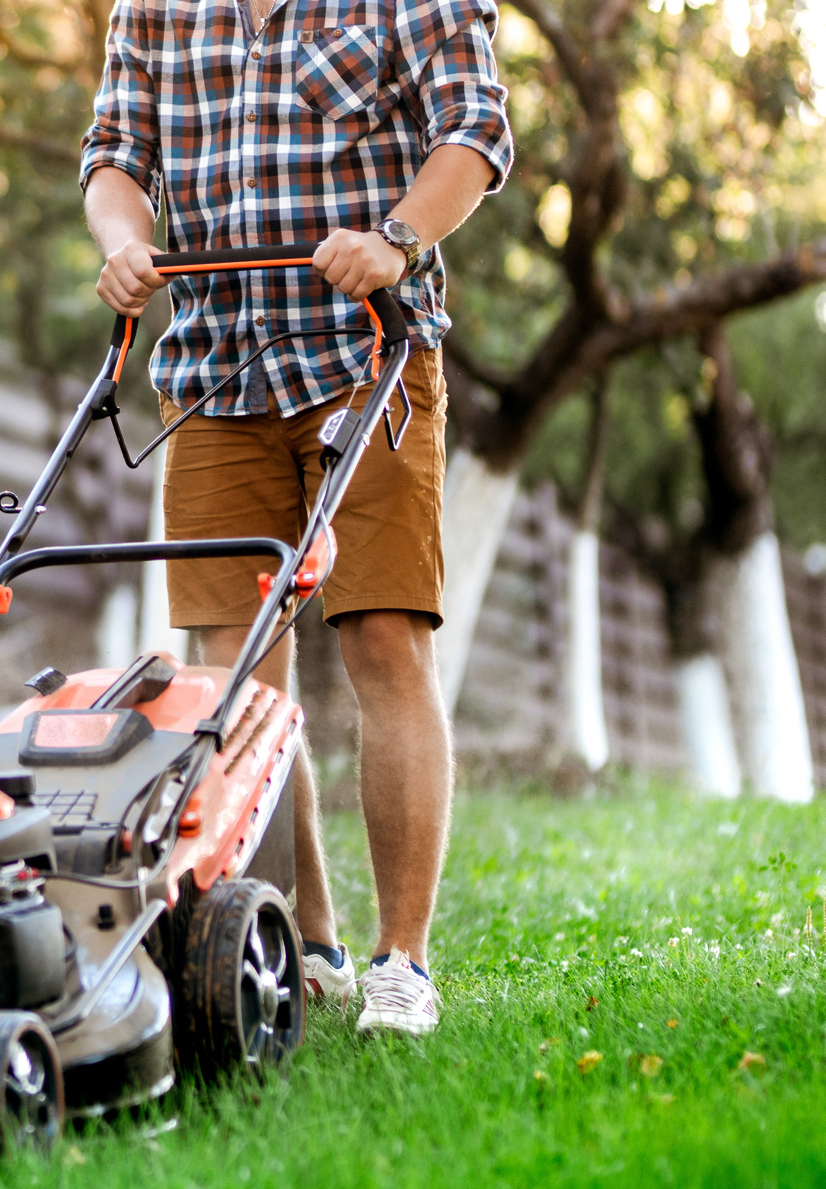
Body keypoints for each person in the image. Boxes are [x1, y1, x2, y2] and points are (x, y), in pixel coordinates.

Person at [81, 0, 513, 1034]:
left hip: (365, 357)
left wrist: (397, 238)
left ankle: (402, 964)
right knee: (237, 684)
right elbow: (115, 153)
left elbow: (476, 130)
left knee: (384, 639)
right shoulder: (155, 7)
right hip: (216, 370)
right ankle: (306, 939)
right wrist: (125, 243)